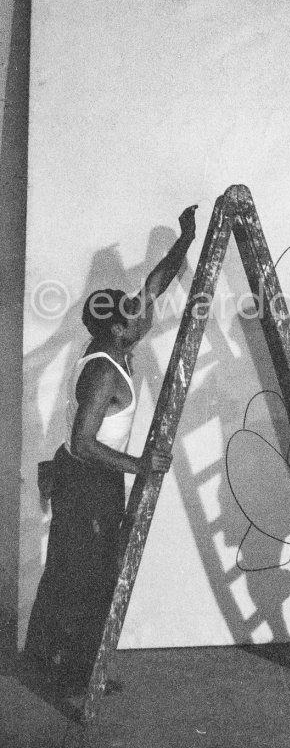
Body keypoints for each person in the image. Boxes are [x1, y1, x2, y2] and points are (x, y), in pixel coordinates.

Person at [25, 205, 197, 694]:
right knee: (81, 574)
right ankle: (66, 672)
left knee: (85, 570)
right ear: (116, 329)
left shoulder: (116, 341)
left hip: (97, 477)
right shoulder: (104, 371)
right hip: (85, 477)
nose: (143, 317)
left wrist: (184, 240)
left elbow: (154, 286)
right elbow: (82, 444)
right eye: (132, 317)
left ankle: (71, 665)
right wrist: (140, 465)